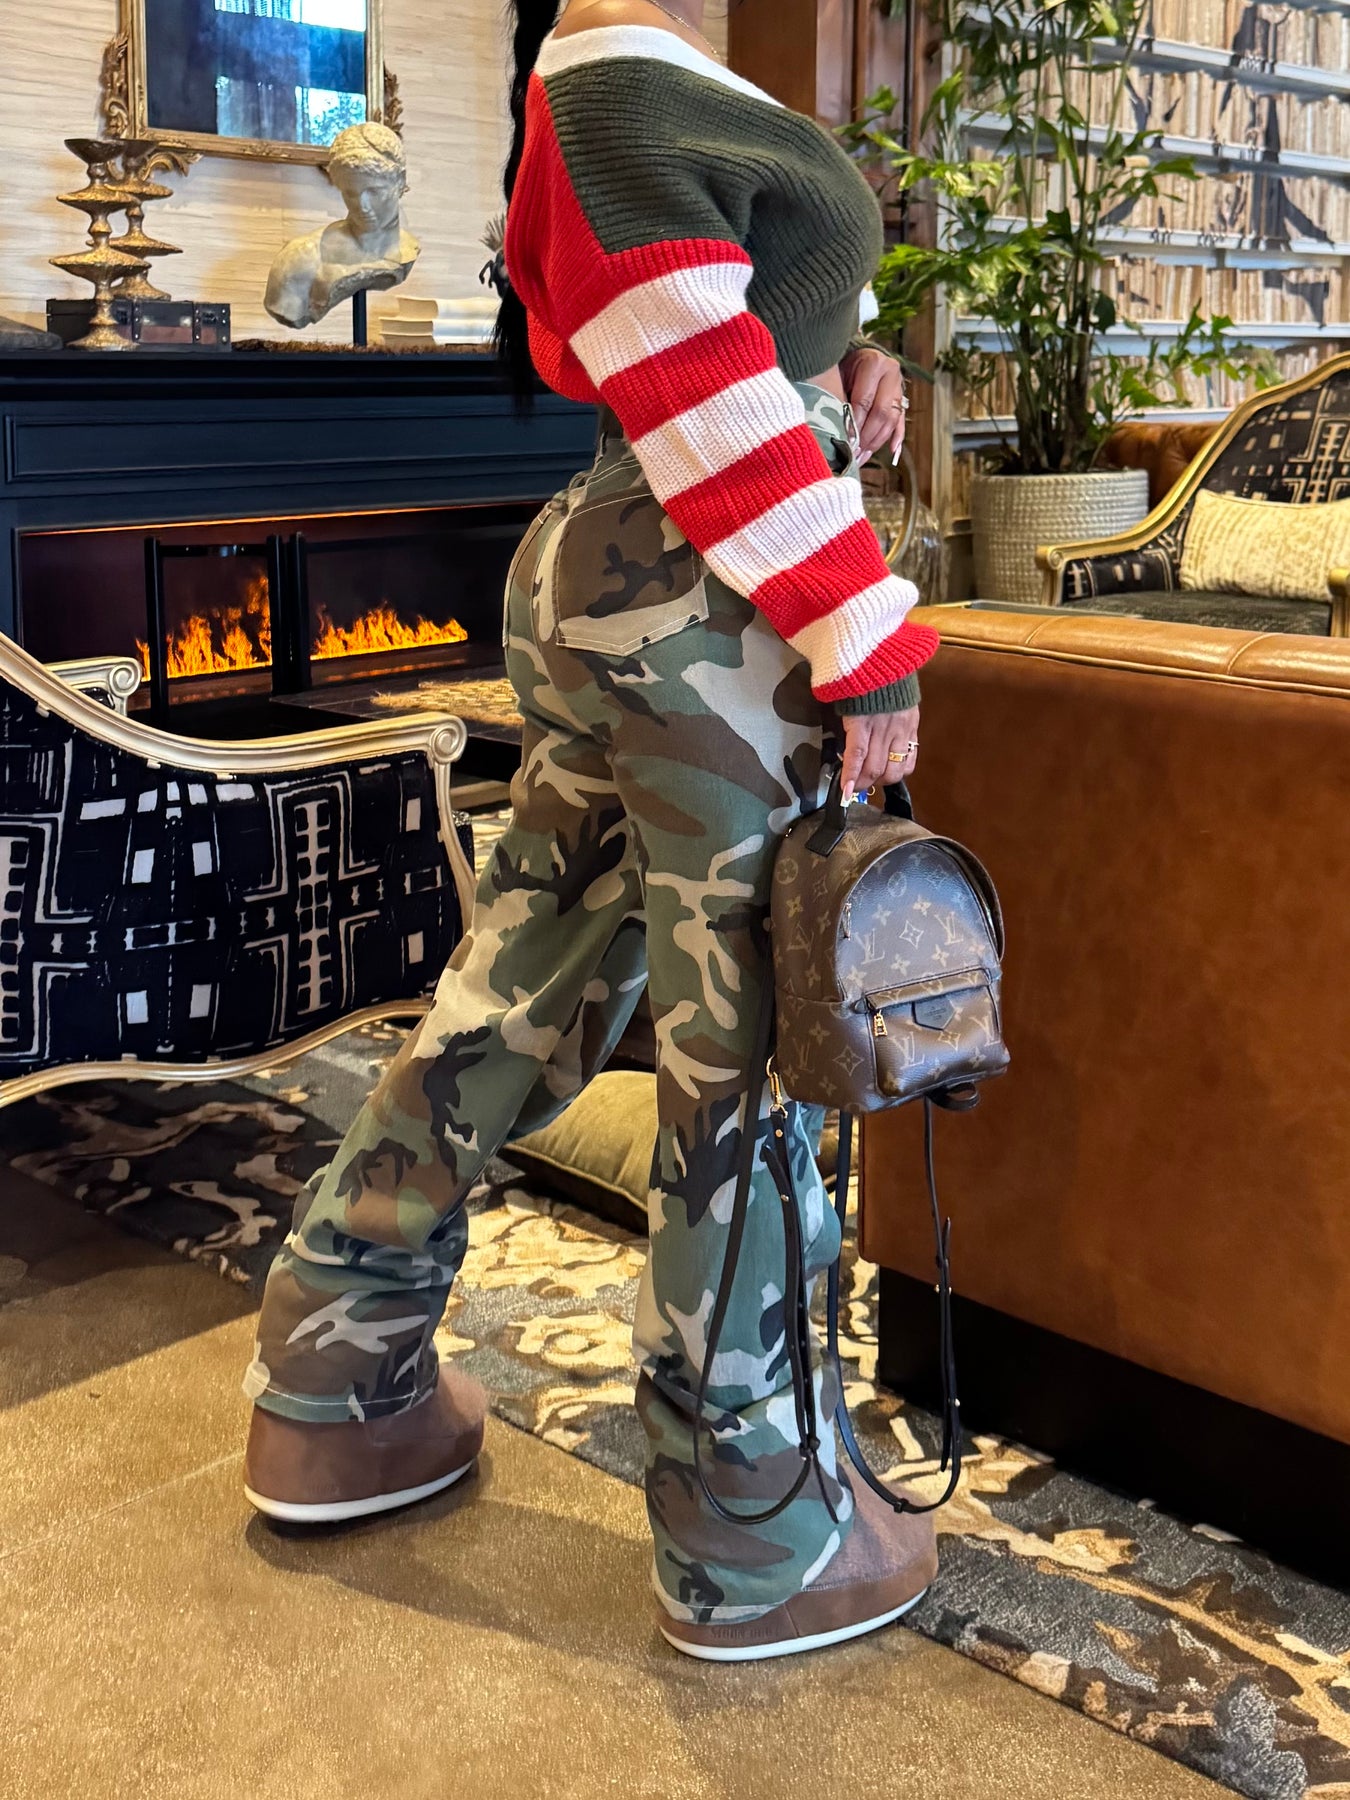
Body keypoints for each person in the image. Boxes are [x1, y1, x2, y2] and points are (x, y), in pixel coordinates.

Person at [241, 0, 940, 1663]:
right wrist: (861, 626)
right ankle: (752, 1521)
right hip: (714, 598)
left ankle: (336, 1374)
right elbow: (688, 369)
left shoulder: (628, 66)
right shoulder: (619, 65)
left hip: (627, 565)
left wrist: (835, 367)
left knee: (521, 979)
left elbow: (665, 333)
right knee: (749, 1044)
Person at [264, 120, 421, 329]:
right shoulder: (301, 260)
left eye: (374, 191)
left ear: (400, 181)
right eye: (350, 193)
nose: (362, 206)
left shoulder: (408, 248)